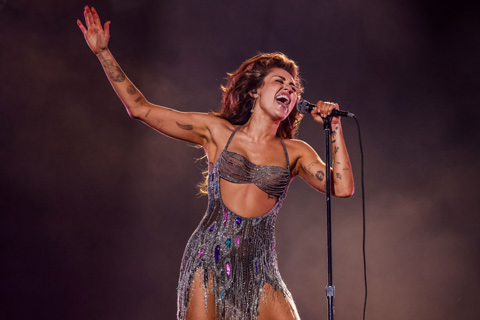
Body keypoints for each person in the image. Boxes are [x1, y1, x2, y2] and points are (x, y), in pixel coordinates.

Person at [78, 6, 354, 320]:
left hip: (260, 267)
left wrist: (333, 127)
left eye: (294, 88)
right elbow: (140, 109)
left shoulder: (297, 152)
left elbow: (342, 188)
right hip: (208, 256)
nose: (289, 90)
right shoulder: (217, 132)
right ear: (255, 89)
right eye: (281, 82)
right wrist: (102, 53)